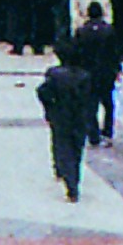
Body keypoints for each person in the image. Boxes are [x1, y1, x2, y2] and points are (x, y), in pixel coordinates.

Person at [35, 44, 92, 202]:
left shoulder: (54, 74)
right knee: (76, 149)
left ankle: (64, 174)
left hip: (60, 115)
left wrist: (50, 107)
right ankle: (74, 180)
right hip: (79, 117)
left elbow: (42, 92)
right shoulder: (85, 76)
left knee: (62, 145)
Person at [73, 1, 123, 144]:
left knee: (91, 105)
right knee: (108, 104)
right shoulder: (109, 31)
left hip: (89, 72)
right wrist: (117, 69)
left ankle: (93, 134)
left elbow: (77, 53)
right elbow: (115, 52)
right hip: (106, 72)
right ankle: (108, 131)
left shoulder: (81, 31)